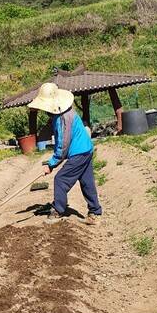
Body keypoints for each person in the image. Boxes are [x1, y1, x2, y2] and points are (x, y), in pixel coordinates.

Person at [28, 82, 102, 224]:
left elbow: (62, 146)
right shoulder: (67, 112)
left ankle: (58, 210)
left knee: (60, 180)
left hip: (79, 153)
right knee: (87, 182)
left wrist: (51, 164)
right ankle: (95, 212)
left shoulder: (62, 119)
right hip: (86, 150)